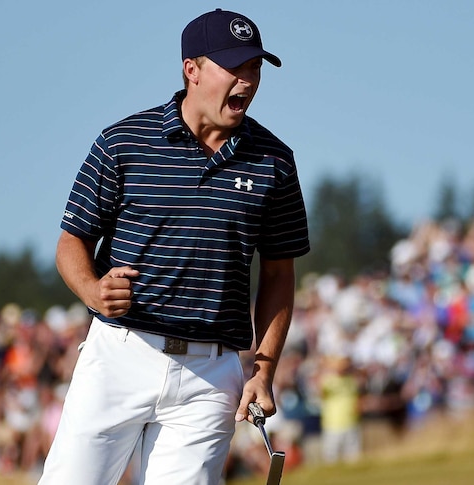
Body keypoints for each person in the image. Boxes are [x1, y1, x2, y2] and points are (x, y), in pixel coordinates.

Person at [38, 9, 309, 485]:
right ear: (193, 70)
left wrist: (262, 372)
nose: (247, 81)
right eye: (236, 67)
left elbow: (279, 274)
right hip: (120, 354)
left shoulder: (275, 162)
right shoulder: (123, 143)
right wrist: (92, 290)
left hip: (211, 376)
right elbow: (71, 241)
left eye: (255, 68)